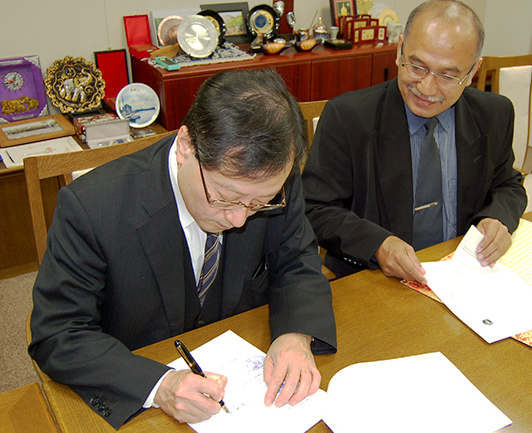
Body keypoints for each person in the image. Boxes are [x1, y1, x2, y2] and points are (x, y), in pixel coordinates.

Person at [29, 68, 337, 429]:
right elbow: (58, 333)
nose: (239, 219)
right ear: (186, 146)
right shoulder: (92, 208)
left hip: (240, 369)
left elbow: (297, 259)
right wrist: (159, 385)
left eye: (259, 203)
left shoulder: (275, 182)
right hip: (142, 395)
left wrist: (295, 333)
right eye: (224, 197)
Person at [302, 0, 527, 282]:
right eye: (417, 67)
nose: (426, 87)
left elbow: (508, 184)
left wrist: (497, 219)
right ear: (399, 52)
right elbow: (314, 208)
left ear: (473, 72)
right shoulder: (349, 117)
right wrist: (378, 245)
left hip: (463, 273)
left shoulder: (494, 113)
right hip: (377, 281)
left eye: (447, 75)